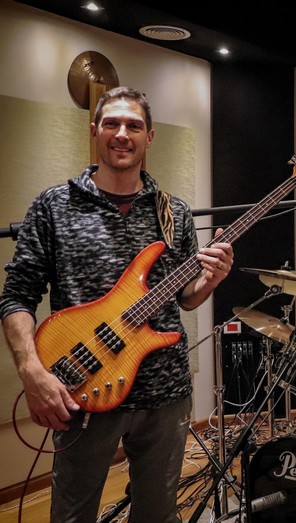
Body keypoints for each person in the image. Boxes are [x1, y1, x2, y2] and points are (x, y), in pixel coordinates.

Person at [0, 87, 234, 522]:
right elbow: (16, 295)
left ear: (150, 137)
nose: (122, 134)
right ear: (95, 131)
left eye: (134, 125)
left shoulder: (174, 212)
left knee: (157, 514)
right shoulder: (54, 206)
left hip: (164, 394)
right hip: (83, 390)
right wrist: (32, 372)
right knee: (72, 514)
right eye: (112, 123)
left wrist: (210, 279)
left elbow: (186, 298)